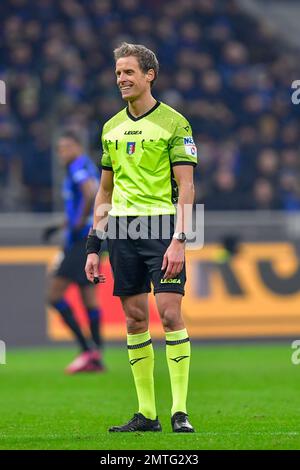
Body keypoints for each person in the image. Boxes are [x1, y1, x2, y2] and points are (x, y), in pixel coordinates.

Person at [85, 43, 197, 432]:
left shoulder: (174, 123)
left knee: (168, 313)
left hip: (163, 228)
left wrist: (181, 239)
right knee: (134, 320)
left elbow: (186, 188)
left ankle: (179, 411)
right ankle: (147, 414)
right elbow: (104, 193)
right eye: (118, 73)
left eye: (129, 72)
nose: (122, 79)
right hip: (123, 231)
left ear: (150, 75)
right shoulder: (111, 127)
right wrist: (94, 246)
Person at [47, 131, 105, 374]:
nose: (62, 153)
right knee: (87, 297)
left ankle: (86, 349)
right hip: (92, 239)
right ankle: (95, 355)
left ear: (77, 147)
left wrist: (79, 223)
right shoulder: (83, 166)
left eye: (66, 147)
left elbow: (91, 193)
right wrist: (61, 225)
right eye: (59, 148)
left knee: (54, 295)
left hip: (82, 241)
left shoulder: (78, 166)